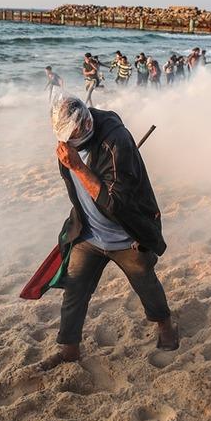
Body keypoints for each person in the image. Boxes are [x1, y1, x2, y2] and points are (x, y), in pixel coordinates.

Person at [42, 95, 177, 368]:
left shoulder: (117, 142)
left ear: (86, 122)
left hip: (125, 235)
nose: (67, 143)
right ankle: (69, 350)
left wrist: (78, 166)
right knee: (74, 289)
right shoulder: (67, 142)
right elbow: (75, 190)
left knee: (145, 282)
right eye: (63, 137)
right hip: (90, 232)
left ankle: (165, 325)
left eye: (72, 135)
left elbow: (114, 203)